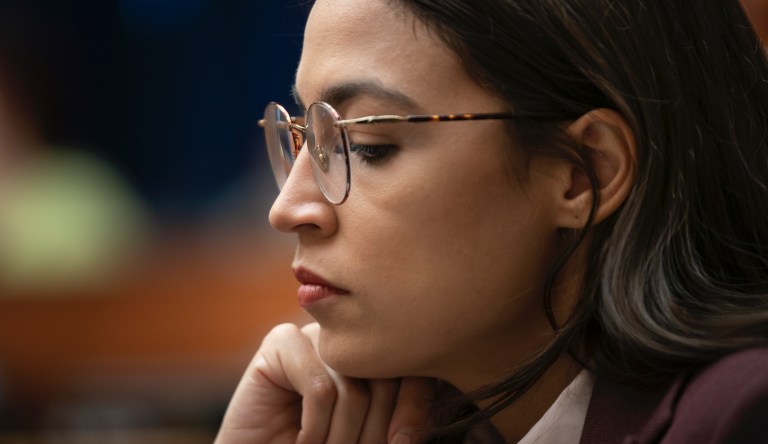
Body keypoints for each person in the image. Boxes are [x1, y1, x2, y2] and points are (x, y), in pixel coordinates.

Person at [216, 0, 768, 442]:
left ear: (584, 172)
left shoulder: (741, 415)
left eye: (363, 144)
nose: (286, 210)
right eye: (302, 138)